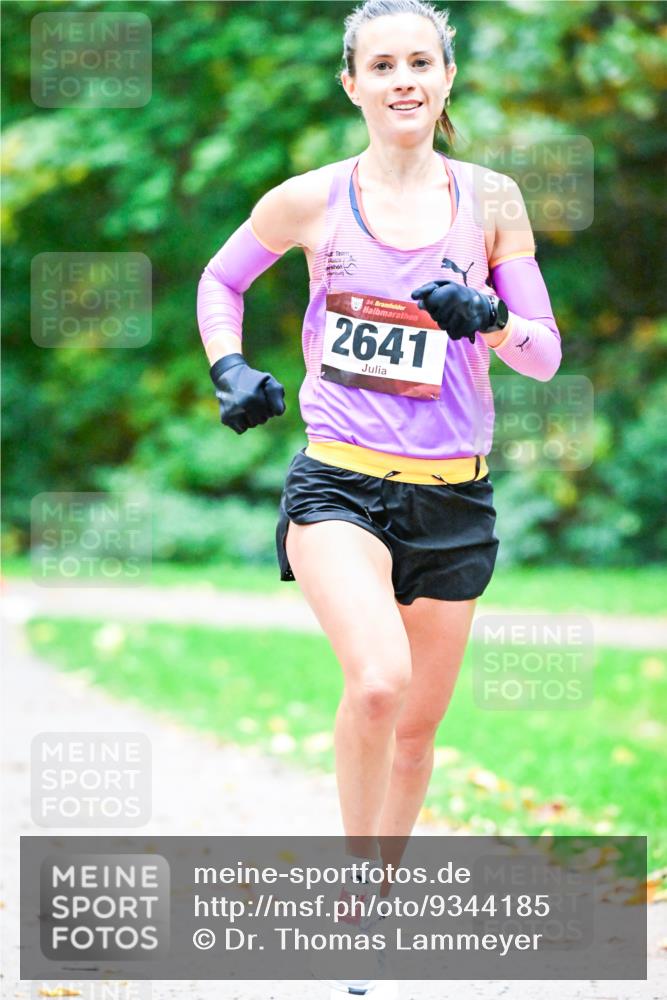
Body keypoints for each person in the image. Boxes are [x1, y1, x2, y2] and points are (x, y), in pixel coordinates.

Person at [197, 1, 561, 994]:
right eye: (381, 64)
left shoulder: (491, 200)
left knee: (412, 734)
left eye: (420, 62)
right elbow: (219, 281)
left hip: (454, 499)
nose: (403, 79)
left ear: (446, 76)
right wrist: (230, 366)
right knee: (377, 683)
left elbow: (544, 351)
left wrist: (487, 319)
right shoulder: (311, 200)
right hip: (338, 484)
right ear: (351, 83)